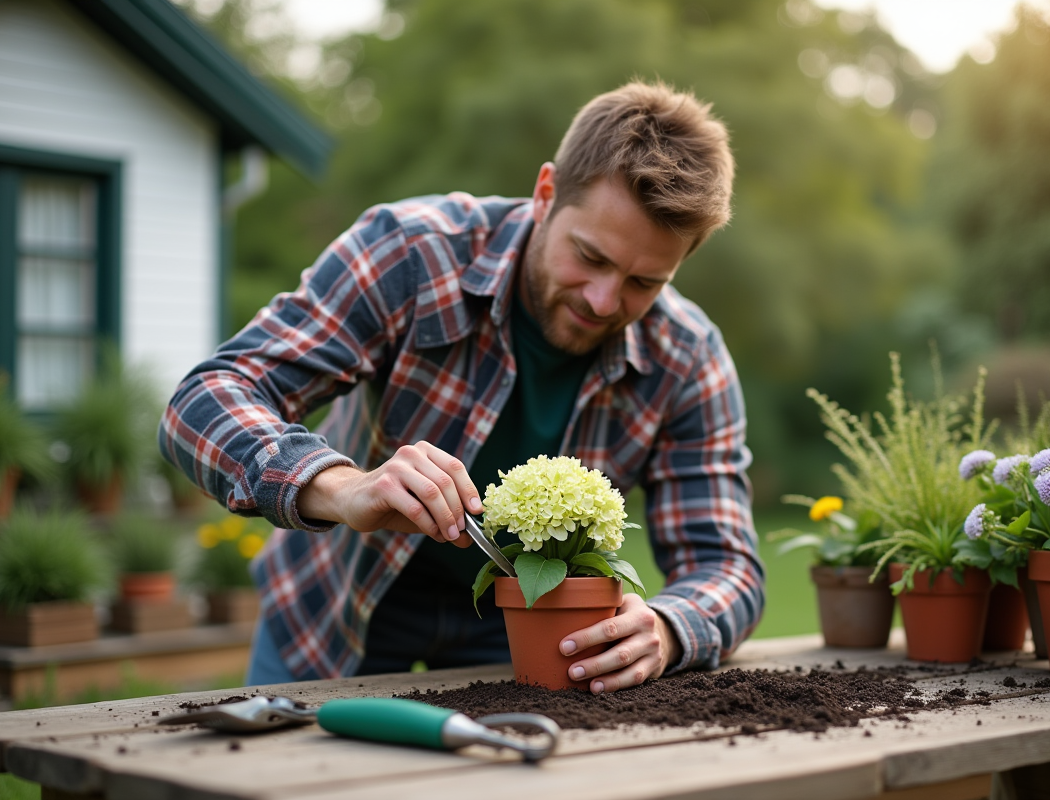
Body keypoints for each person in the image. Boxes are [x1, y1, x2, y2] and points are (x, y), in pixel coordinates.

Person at [160, 80, 765, 693]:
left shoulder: (687, 355)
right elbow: (205, 399)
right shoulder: (413, 253)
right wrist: (342, 488)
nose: (605, 299)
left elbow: (727, 564)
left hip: (528, 634)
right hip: (335, 613)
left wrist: (666, 627)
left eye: (645, 282)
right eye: (590, 256)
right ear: (546, 193)